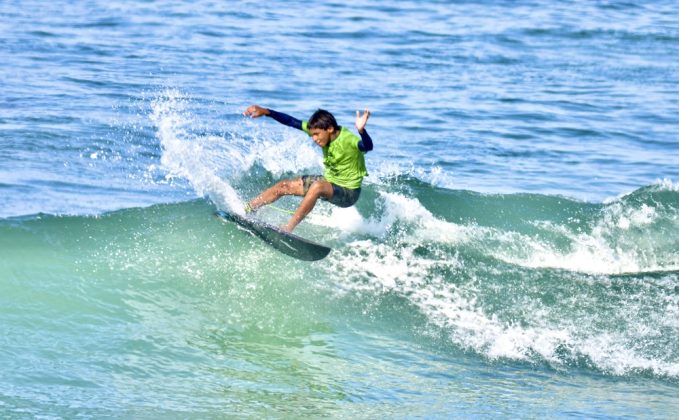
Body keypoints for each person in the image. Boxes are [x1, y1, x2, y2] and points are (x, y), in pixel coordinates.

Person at [242, 104, 374, 233]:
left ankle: (288, 228)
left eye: (317, 134)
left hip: (348, 192)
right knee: (284, 185)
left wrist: (362, 131)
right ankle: (248, 209)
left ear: (329, 129)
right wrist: (267, 112)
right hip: (329, 182)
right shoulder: (319, 130)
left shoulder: (348, 139)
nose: (314, 139)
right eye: (312, 135)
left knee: (317, 186)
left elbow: (367, 146)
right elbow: (291, 121)